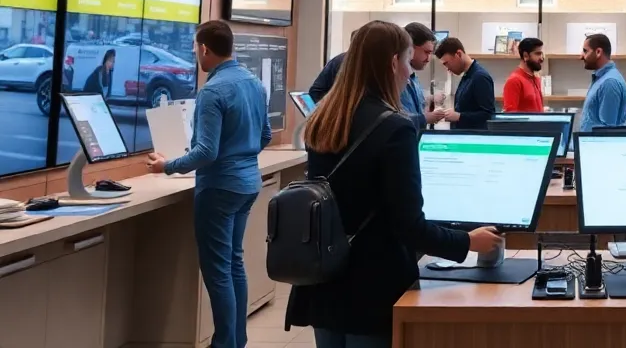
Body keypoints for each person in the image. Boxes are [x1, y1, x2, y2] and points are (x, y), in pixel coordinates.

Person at [285, 21, 503, 347]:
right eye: (407, 62)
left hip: (322, 280)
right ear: (392, 64)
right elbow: (408, 226)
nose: (409, 73)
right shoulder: (394, 129)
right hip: (372, 287)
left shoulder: (323, 119)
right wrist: (468, 242)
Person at [146, 21, 272, 348]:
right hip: (248, 183)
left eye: (194, 49)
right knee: (234, 263)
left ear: (204, 49)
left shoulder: (212, 91)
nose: (195, 55)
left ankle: (225, 344)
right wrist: (240, 155)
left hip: (219, 188)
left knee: (218, 271)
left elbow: (206, 152)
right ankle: (236, 341)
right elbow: (265, 136)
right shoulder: (255, 84)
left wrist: (167, 166)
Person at [434, 36, 495, 130]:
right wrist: (453, 113)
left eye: (447, 63)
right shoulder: (467, 75)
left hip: (474, 137)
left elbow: (488, 115)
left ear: (458, 54)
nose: (447, 68)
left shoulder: (480, 77)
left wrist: (459, 116)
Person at [578, 33, 626, 131]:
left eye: (585, 51)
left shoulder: (609, 83)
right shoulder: (601, 79)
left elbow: (606, 132)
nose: (581, 56)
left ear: (598, 52)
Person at [503, 37, 545, 112]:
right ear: (525, 55)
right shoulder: (514, 81)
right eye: (538, 54)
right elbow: (510, 115)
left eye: (541, 54)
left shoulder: (536, 79)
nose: (541, 58)